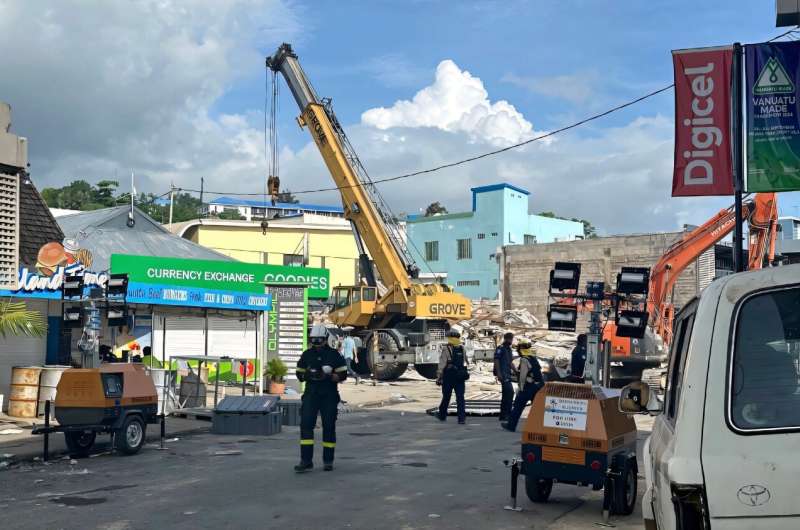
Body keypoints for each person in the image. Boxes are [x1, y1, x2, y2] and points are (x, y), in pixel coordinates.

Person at [294, 324, 348, 473]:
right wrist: (308, 374)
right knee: (306, 426)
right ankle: (306, 461)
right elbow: (299, 374)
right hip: (311, 395)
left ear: (325, 339)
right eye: (313, 340)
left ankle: (328, 461)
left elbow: (343, 375)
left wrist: (330, 376)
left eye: (319, 339)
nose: (316, 343)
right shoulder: (307, 355)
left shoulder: (334, 355)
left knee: (329, 427)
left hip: (328, 396)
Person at [502, 341, 544, 432]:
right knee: (537, 409)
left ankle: (511, 425)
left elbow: (522, 376)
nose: (518, 352)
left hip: (528, 387)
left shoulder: (524, 359)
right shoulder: (533, 358)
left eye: (518, 350)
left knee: (518, 406)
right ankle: (538, 428)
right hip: (538, 386)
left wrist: (520, 388)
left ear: (521, 350)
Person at [436, 330, 469, 424]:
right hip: (460, 376)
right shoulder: (462, 348)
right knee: (460, 397)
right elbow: (466, 362)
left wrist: (439, 377)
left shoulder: (446, 349)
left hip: (449, 376)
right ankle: (461, 419)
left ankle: (442, 415)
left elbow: (442, 364)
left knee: (446, 396)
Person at [494, 332, 515, 422]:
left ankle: (503, 415)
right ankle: (507, 414)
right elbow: (496, 360)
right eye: (510, 339)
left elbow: (510, 362)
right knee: (510, 392)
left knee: (506, 394)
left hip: (508, 374)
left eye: (511, 339)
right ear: (507, 339)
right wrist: (499, 373)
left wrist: (516, 371)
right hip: (503, 374)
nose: (511, 341)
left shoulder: (509, 349)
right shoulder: (500, 348)